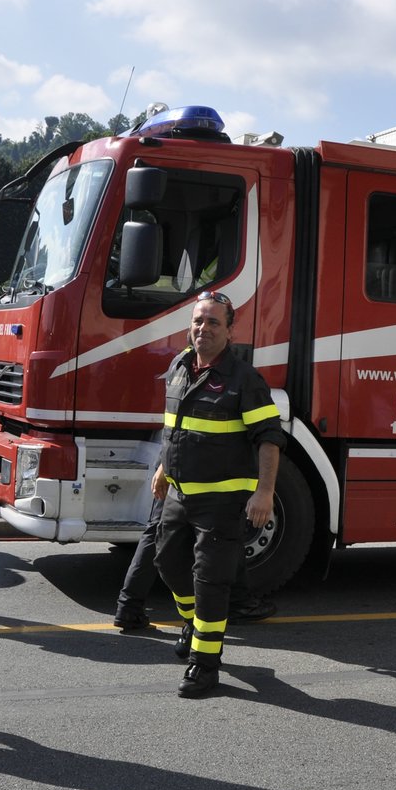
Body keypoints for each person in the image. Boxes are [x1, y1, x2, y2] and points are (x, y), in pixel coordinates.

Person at [152, 290, 284, 698]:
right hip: (179, 494)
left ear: (229, 330)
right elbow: (174, 427)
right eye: (197, 321)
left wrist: (264, 492)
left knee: (210, 583)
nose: (202, 328)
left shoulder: (245, 379)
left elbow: (269, 439)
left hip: (222, 503)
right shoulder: (179, 366)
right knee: (168, 565)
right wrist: (162, 468)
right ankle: (192, 625)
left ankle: (204, 667)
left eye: (212, 322)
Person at [113, 493, 277, 631]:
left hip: (176, 466)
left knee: (158, 529)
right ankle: (237, 602)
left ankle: (129, 606)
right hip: (201, 470)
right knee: (226, 530)